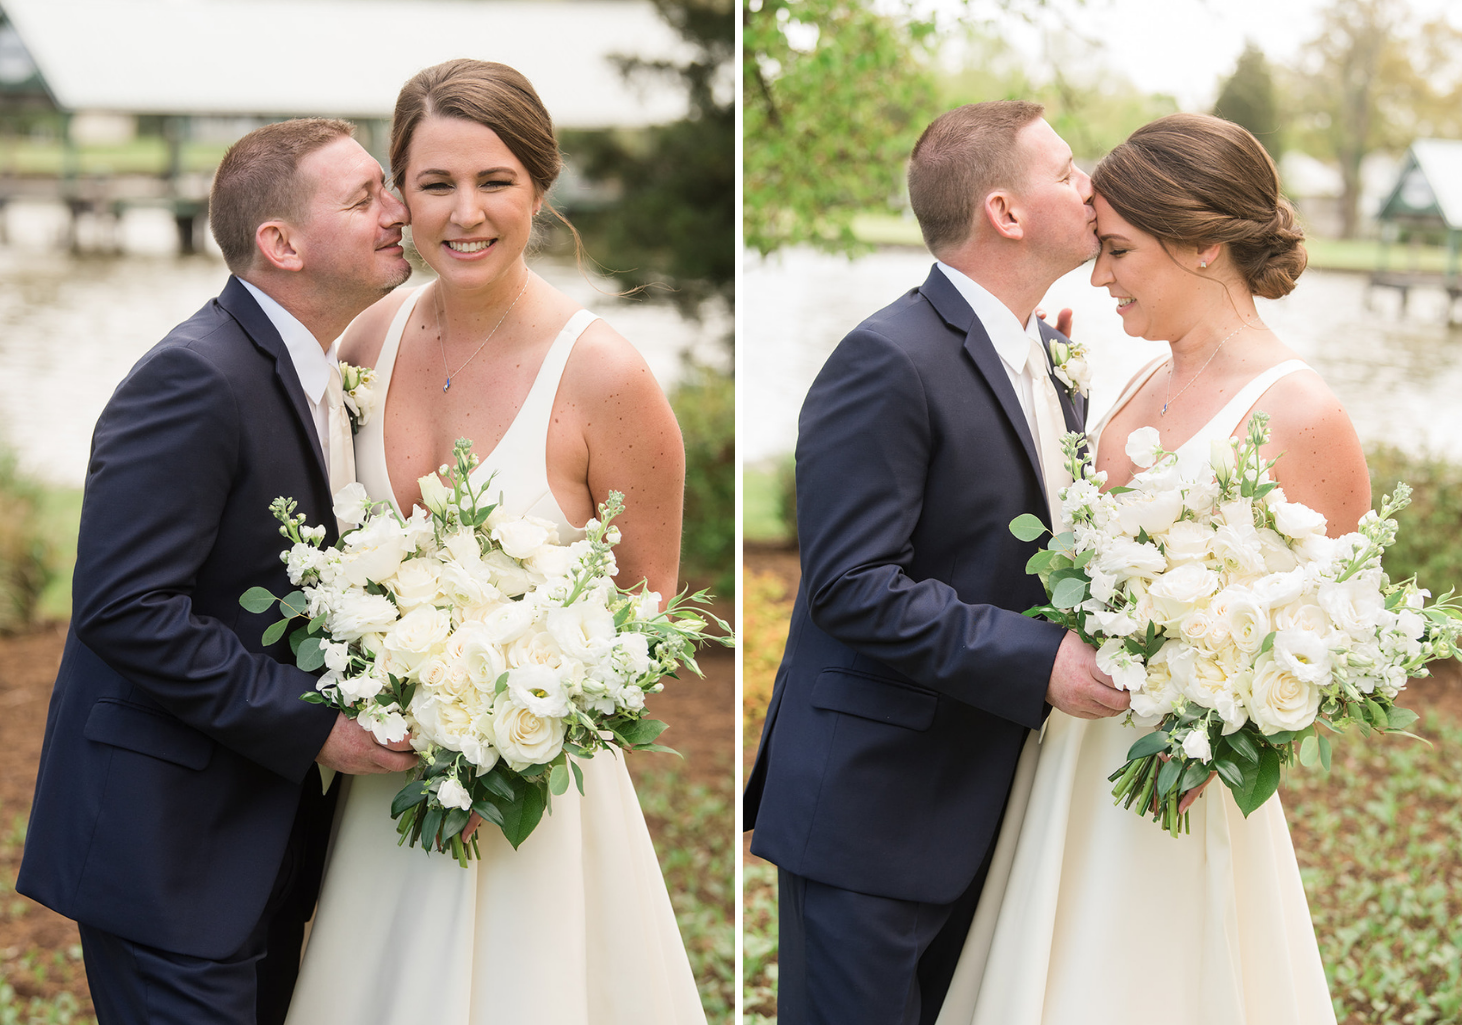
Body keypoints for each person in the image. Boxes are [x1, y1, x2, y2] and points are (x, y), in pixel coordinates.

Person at [283, 59, 704, 1025]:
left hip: (535, 800)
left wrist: (504, 745)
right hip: (387, 791)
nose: (463, 213)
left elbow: (649, 612)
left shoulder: (604, 375)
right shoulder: (362, 346)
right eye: (435, 184)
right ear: (400, 193)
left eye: (494, 182)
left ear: (541, 187)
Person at [937, 113, 1365, 1025]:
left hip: (1177, 785)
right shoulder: (1134, 381)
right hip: (1066, 758)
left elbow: (1338, 634)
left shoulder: (1299, 412)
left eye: (1119, 252)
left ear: (1205, 245)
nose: (1098, 278)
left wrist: (1218, 722)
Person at [17, 118, 421, 1025]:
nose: (399, 211)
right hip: (167, 847)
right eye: (365, 198)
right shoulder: (194, 378)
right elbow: (125, 610)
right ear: (279, 243)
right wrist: (318, 726)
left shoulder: (315, 371)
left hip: (256, 840)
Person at [742, 100, 1132, 1025]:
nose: (1092, 186)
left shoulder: (1051, 351)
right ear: (1005, 211)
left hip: (998, 802)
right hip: (875, 809)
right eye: (1069, 170)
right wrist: (1044, 663)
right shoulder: (887, 359)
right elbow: (851, 586)